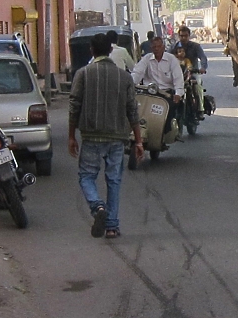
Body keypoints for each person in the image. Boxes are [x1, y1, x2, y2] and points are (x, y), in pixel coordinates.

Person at [68, 33, 143, 239]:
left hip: (91, 136)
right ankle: (111, 226)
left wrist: (71, 136)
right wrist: (138, 140)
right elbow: (132, 111)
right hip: (117, 137)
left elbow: (74, 107)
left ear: (91, 50)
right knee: (114, 181)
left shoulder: (83, 74)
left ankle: (97, 206)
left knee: (86, 176)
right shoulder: (125, 77)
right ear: (111, 50)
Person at [132, 36, 185, 132]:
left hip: (166, 93)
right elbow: (137, 73)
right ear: (151, 48)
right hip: (149, 92)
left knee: (170, 109)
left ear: (163, 47)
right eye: (154, 47)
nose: (156, 49)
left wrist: (178, 93)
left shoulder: (171, 59)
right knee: (136, 108)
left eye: (158, 46)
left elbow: (178, 77)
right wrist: (130, 84)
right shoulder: (147, 58)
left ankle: (166, 132)